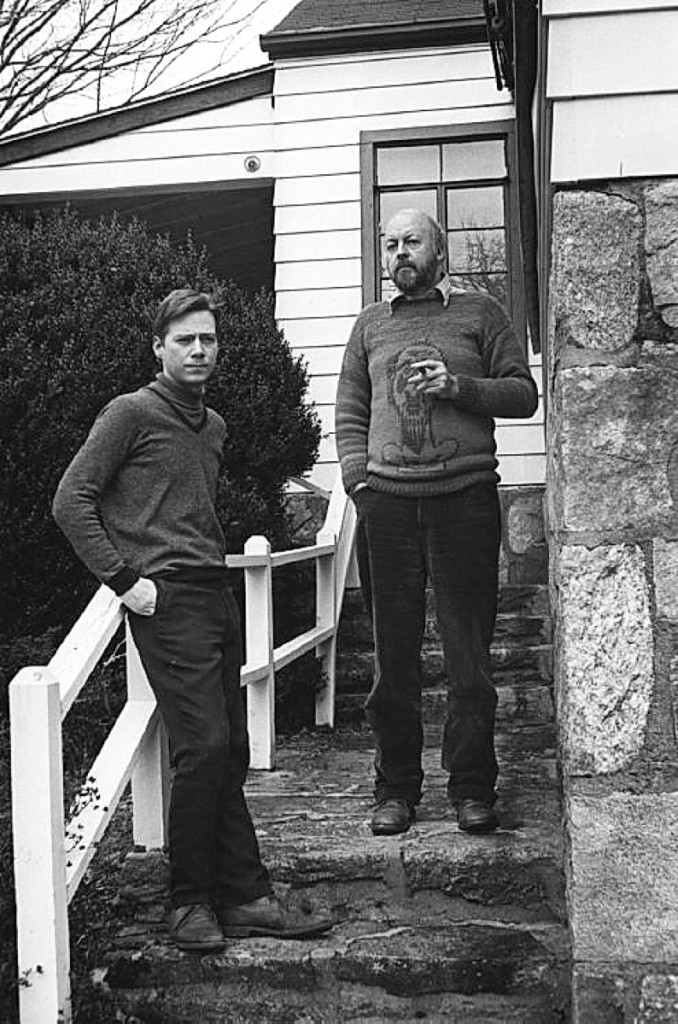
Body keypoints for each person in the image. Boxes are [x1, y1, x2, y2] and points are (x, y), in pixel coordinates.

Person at [53, 288, 332, 952]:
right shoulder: (130, 413)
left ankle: (248, 895)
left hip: (215, 593)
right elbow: (72, 500)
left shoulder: (213, 426)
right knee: (202, 746)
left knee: (229, 747)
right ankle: (189, 904)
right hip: (165, 599)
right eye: (185, 340)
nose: (199, 350)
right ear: (159, 347)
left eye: (207, 339)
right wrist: (126, 581)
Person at [335, 210, 538, 837]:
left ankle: (473, 789)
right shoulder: (369, 325)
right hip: (387, 508)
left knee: (468, 659)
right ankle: (395, 789)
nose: (399, 252)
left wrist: (457, 386)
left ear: (440, 250)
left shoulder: (481, 314)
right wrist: (357, 483)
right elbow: (349, 410)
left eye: (411, 241)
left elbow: (522, 394)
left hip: (464, 502)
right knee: (392, 661)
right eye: (390, 243)